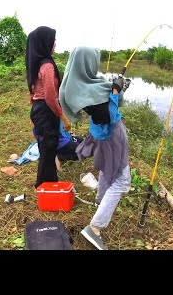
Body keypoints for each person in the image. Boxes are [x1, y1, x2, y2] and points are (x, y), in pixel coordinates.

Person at [59, 46, 130, 250]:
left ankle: (101, 200)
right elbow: (106, 116)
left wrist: (117, 89)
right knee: (122, 180)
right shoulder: (92, 91)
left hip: (104, 135)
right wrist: (115, 92)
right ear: (87, 62)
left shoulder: (83, 85)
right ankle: (95, 227)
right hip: (111, 137)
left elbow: (103, 106)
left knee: (108, 170)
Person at [25, 26, 71, 188]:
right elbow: (51, 96)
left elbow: (32, 91)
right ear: (46, 42)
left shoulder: (35, 64)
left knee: (46, 149)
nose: (55, 44)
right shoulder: (47, 66)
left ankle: (49, 184)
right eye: (53, 40)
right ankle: (43, 186)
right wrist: (63, 117)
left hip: (38, 109)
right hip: (46, 110)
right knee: (47, 150)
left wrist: (34, 114)